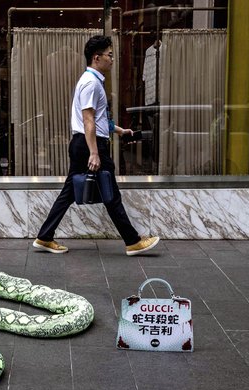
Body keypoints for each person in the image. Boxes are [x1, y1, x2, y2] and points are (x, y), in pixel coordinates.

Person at [33, 35, 159, 256]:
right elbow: (88, 120)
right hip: (90, 145)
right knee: (111, 192)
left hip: (84, 143)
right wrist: (94, 153)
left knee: (69, 193)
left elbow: (100, 119)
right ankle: (133, 241)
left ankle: (44, 237)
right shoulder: (91, 83)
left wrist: (120, 130)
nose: (112, 59)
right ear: (96, 57)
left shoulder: (92, 81)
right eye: (109, 55)